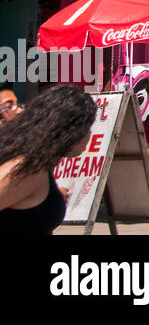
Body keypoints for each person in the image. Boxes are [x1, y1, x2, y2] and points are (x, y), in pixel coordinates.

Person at [0, 85, 97, 235]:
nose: (90, 134)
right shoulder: (29, 169)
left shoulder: (40, 164)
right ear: (71, 130)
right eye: (87, 127)